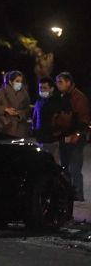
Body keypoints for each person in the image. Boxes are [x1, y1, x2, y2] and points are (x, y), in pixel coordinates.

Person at [55, 72, 89, 201]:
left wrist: (78, 134)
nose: (58, 85)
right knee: (64, 168)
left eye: (60, 82)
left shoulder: (78, 97)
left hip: (76, 138)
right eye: (57, 82)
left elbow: (84, 119)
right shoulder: (62, 96)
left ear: (68, 82)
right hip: (64, 137)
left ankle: (78, 197)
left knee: (74, 168)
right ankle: (68, 195)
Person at [0, 70, 31, 138]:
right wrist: (5, 109)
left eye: (21, 82)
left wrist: (19, 113)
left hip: (21, 131)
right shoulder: (1, 92)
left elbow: (27, 110)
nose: (19, 83)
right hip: (6, 128)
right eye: (17, 81)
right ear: (11, 82)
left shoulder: (25, 94)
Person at [32, 76, 63, 163]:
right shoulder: (39, 100)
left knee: (52, 163)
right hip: (40, 138)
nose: (42, 90)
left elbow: (61, 121)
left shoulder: (57, 101)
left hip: (52, 139)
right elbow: (35, 117)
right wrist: (35, 130)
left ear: (51, 89)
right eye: (40, 87)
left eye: (45, 88)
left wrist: (56, 133)